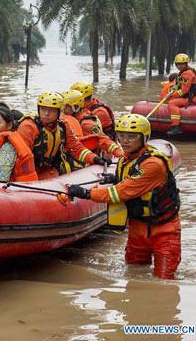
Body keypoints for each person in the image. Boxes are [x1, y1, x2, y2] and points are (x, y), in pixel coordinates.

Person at [68, 114, 181, 279]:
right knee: (133, 275)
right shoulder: (125, 160)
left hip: (163, 230)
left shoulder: (153, 164)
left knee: (164, 281)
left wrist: (86, 193)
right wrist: (115, 178)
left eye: (132, 136)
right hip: (137, 228)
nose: (125, 141)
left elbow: (120, 192)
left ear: (144, 138)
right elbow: (128, 182)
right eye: (121, 136)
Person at [17, 92, 109, 180]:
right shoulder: (28, 126)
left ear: (59, 112)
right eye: (43, 109)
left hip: (50, 170)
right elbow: (22, 157)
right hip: (29, 172)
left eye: (51, 110)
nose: (46, 114)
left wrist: (95, 158)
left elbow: (77, 147)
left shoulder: (63, 125)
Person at [62, 89, 123, 158]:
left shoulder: (86, 124)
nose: (63, 109)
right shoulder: (77, 118)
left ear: (75, 107)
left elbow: (102, 139)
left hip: (90, 157)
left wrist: (118, 152)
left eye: (66, 106)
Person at [0, 105, 38, 182]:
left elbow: (2, 180)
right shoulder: (3, 141)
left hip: (15, 189)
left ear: (9, 125)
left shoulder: (7, 148)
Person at [165, 53, 196, 136]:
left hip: (193, 98)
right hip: (191, 96)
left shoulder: (187, 74)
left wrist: (172, 95)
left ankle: (176, 126)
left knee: (172, 103)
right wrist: (172, 91)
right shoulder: (184, 72)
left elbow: (184, 91)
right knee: (170, 100)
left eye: (182, 64)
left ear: (186, 64)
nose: (180, 66)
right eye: (178, 64)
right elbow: (179, 85)